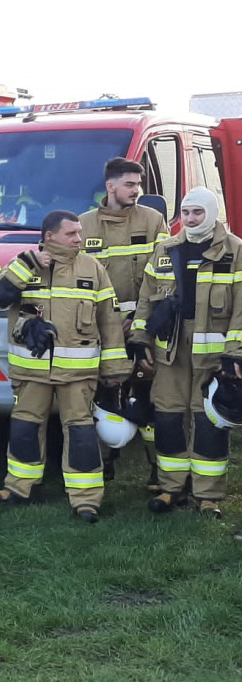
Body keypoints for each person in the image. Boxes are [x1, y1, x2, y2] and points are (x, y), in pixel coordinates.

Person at [0, 211, 131, 522]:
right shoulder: (24, 263)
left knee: (80, 432)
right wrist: (25, 266)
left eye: (79, 233)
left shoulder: (92, 268)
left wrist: (114, 367)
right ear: (49, 236)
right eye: (72, 234)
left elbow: (110, 319)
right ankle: (20, 488)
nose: (79, 239)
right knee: (24, 427)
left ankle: (86, 499)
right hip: (31, 370)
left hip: (78, 373)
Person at [129, 187, 242, 519]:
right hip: (170, 352)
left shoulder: (234, 251)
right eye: (187, 212)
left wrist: (235, 353)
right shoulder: (165, 249)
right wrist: (139, 339)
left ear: (212, 212)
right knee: (168, 417)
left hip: (214, 357)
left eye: (198, 213)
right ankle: (171, 488)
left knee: (207, 421)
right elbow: (146, 299)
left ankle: (207, 495)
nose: (191, 219)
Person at [79, 157, 169, 483]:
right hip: (98, 329)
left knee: (148, 396)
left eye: (138, 184)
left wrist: (139, 320)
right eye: (130, 184)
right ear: (111, 186)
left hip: (141, 327)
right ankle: (103, 464)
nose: (137, 191)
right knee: (101, 397)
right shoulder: (83, 226)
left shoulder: (152, 220)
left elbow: (163, 275)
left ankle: (159, 471)